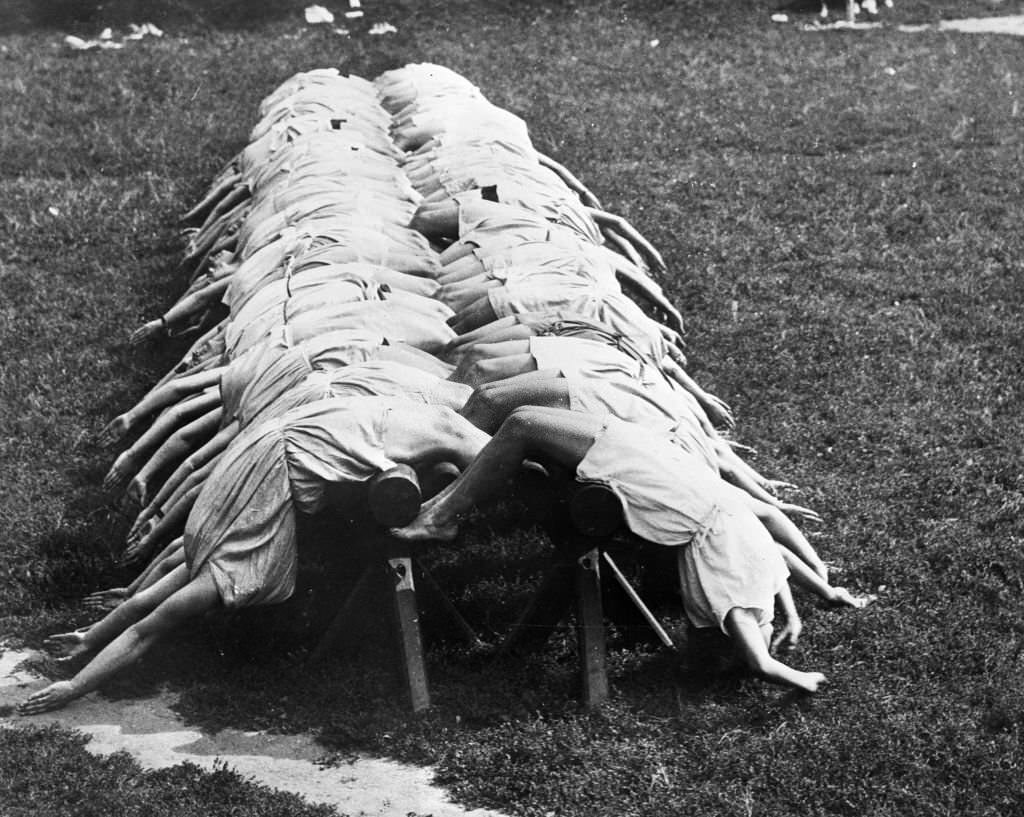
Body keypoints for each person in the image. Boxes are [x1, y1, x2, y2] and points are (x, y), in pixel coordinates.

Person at [19, 397, 490, 715]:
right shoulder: (236, 553)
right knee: (476, 447)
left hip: (295, 443)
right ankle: (530, 446)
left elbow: (152, 610)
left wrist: (89, 641)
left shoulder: (229, 531)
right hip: (312, 440)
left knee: (472, 446)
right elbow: (148, 626)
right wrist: (75, 686)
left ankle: (529, 446)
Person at [391, 407, 852, 692]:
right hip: (673, 475)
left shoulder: (732, 606)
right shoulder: (761, 586)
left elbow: (761, 661)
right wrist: (819, 593)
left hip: (667, 488)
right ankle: (443, 508)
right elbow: (783, 557)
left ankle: (441, 514)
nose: (774, 628)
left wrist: (801, 678)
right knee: (521, 422)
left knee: (522, 424)